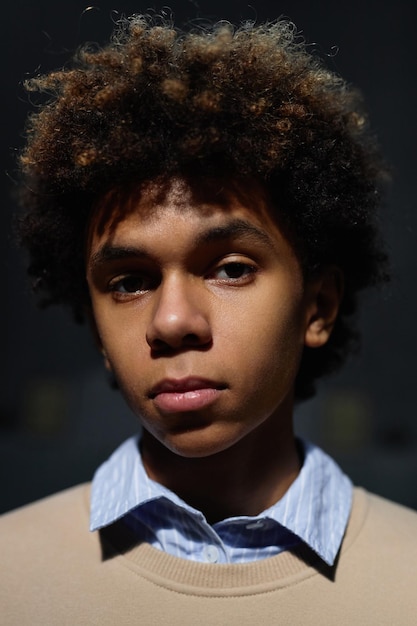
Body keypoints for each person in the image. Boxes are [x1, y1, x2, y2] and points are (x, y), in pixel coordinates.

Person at [2, 14, 416, 624]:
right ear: (95, 327)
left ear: (317, 307)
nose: (171, 321)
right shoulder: (10, 572)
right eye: (129, 282)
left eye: (229, 269)